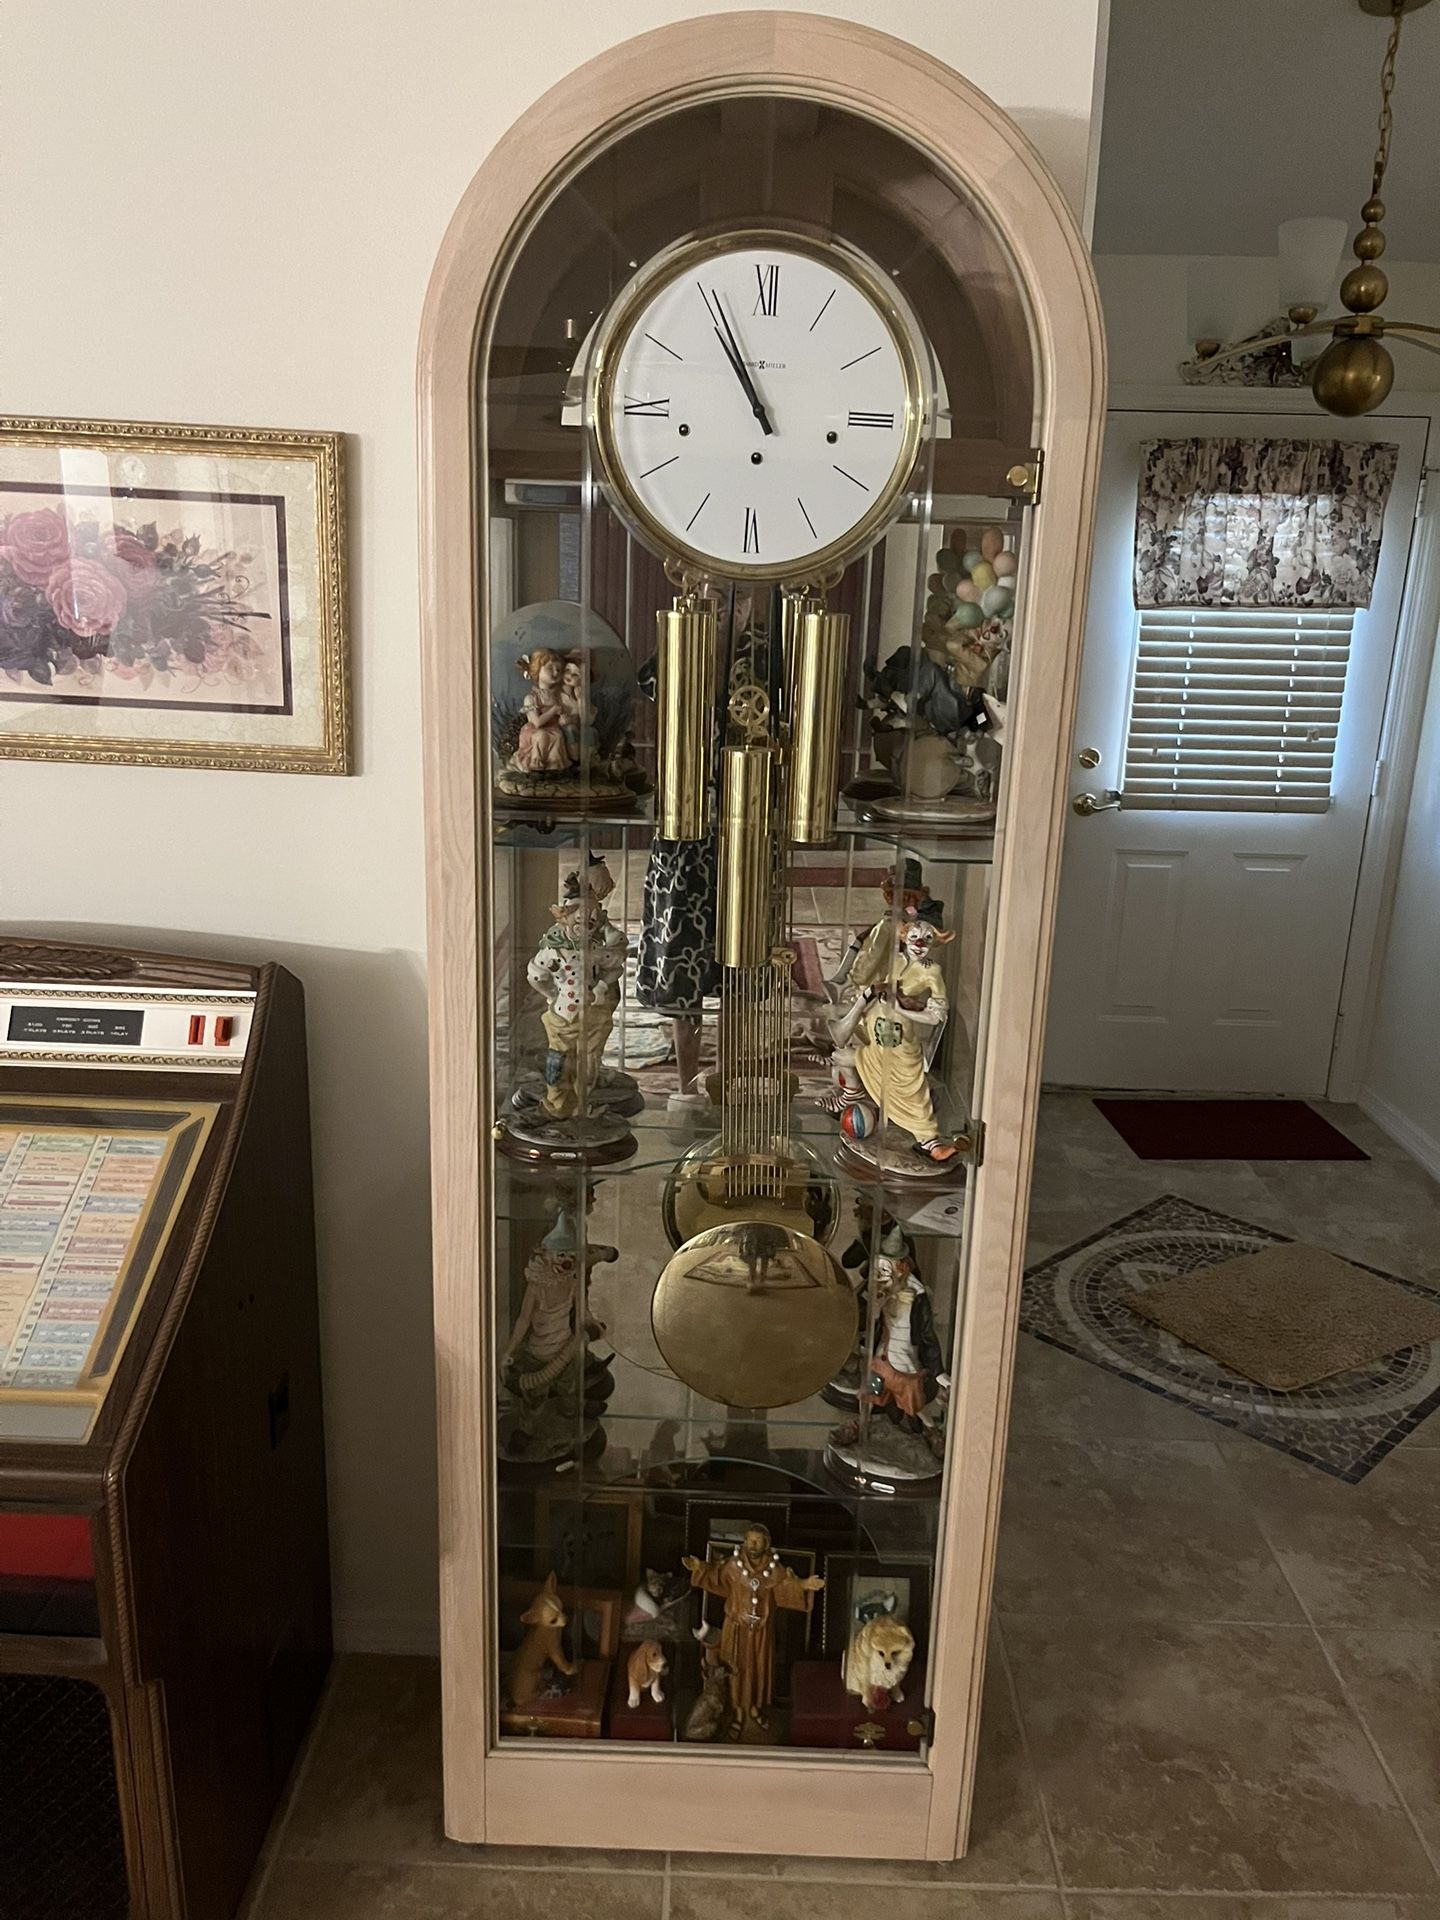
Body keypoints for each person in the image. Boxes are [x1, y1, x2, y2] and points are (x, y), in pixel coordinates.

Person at [682, 1522, 822, 1731]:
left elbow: (787, 1586)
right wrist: (700, 1567)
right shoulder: (733, 1566)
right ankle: (737, 1711)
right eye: (749, 1540)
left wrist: (803, 1585)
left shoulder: (774, 1570)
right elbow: (716, 1576)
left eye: (757, 1541)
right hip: (736, 1628)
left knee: (758, 1669)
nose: (752, 1544)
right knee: (736, 1668)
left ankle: (755, 1708)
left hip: (761, 1632)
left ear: (766, 1544)